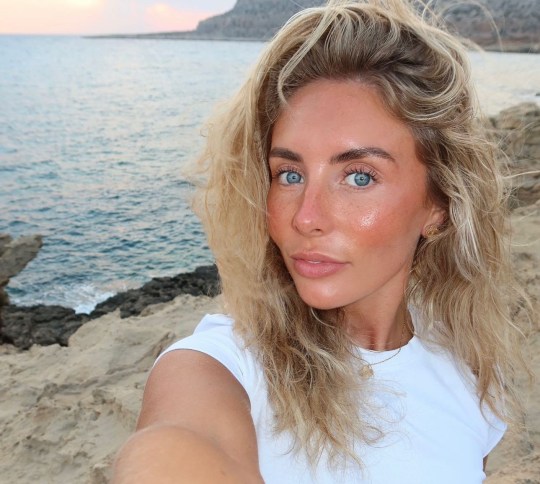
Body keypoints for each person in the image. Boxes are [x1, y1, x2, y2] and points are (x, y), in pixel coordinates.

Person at [112, 0, 529, 482]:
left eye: (358, 177)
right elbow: (176, 443)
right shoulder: (219, 367)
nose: (305, 218)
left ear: (438, 205)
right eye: (288, 174)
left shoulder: (469, 375)